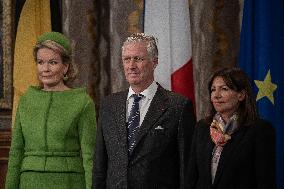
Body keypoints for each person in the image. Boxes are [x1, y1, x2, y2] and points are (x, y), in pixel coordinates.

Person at [92, 33, 196, 188]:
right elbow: (100, 166)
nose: (131, 66)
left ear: (154, 62)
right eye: (127, 59)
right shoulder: (109, 105)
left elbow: (186, 169)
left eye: (138, 59)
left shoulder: (178, 106)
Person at [5, 32, 97, 189]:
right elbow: (16, 153)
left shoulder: (82, 102)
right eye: (40, 62)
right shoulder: (26, 100)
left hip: (69, 182)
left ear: (65, 66)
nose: (45, 69)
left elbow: (90, 157)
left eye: (53, 62)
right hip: (29, 181)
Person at [186, 67, 276, 189]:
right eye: (213, 90)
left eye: (224, 89)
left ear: (241, 95)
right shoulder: (202, 127)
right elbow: (191, 177)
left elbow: (265, 181)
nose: (216, 95)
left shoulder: (260, 130)